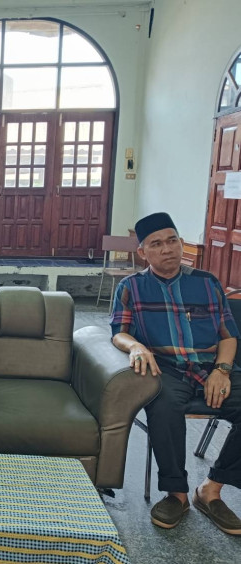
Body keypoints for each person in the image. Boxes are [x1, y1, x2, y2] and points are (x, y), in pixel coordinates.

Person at [111, 212, 241, 535]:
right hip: (166, 369)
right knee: (163, 404)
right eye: (156, 244)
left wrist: (222, 370)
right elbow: (118, 332)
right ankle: (176, 494)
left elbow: (228, 336)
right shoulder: (131, 288)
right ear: (143, 252)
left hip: (211, 368)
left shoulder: (207, 283)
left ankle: (211, 489)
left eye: (172, 240)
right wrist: (135, 346)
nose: (167, 249)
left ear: (182, 243)